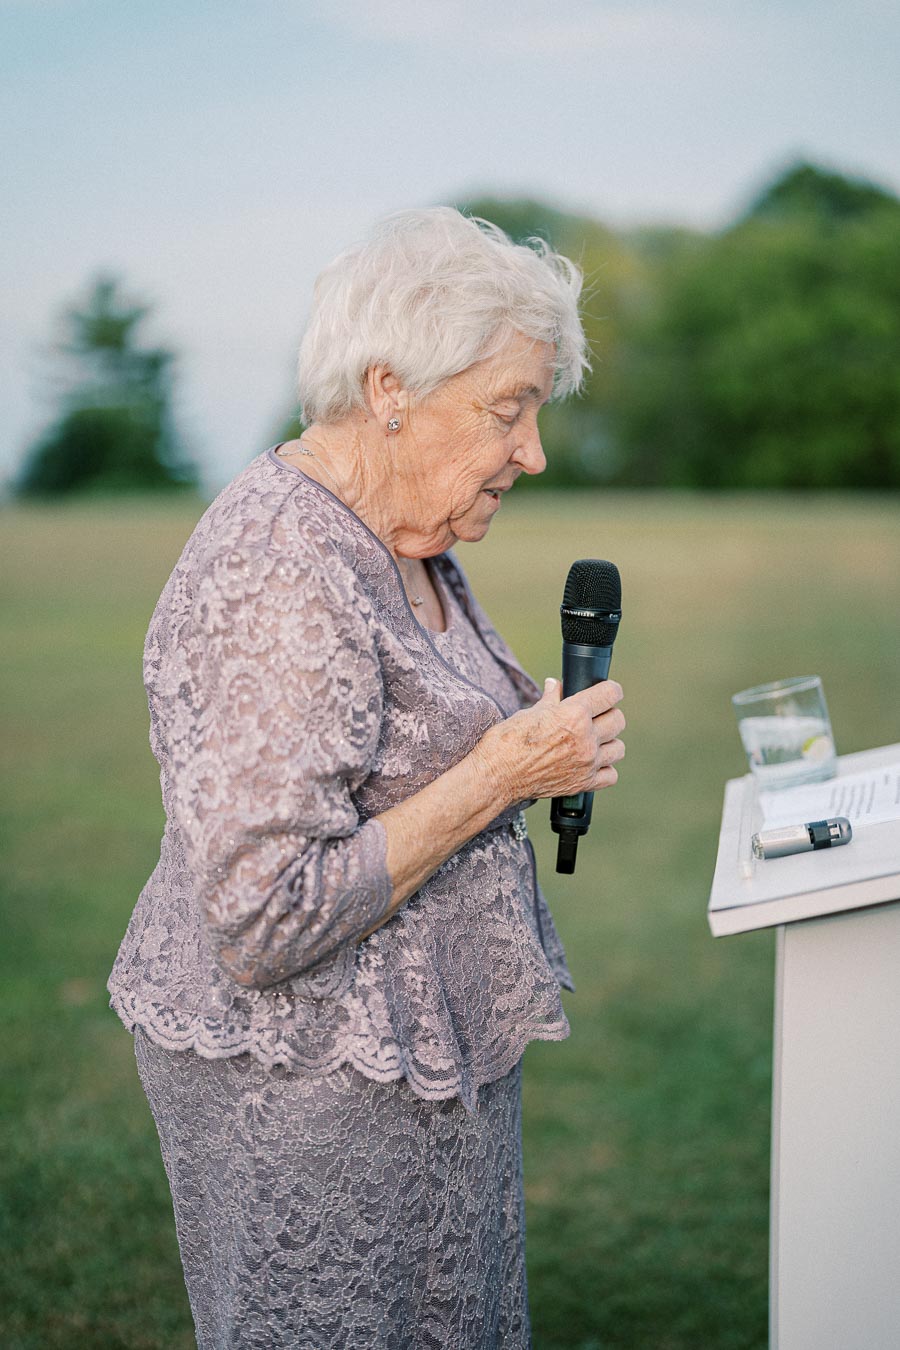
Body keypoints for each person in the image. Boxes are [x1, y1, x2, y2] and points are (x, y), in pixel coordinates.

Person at [108, 206, 626, 1349]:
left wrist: (532, 753)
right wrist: (499, 774)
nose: (531, 453)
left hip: (422, 1067)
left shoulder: (408, 533)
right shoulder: (279, 570)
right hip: (305, 1090)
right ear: (391, 388)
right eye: (509, 409)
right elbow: (262, 912)